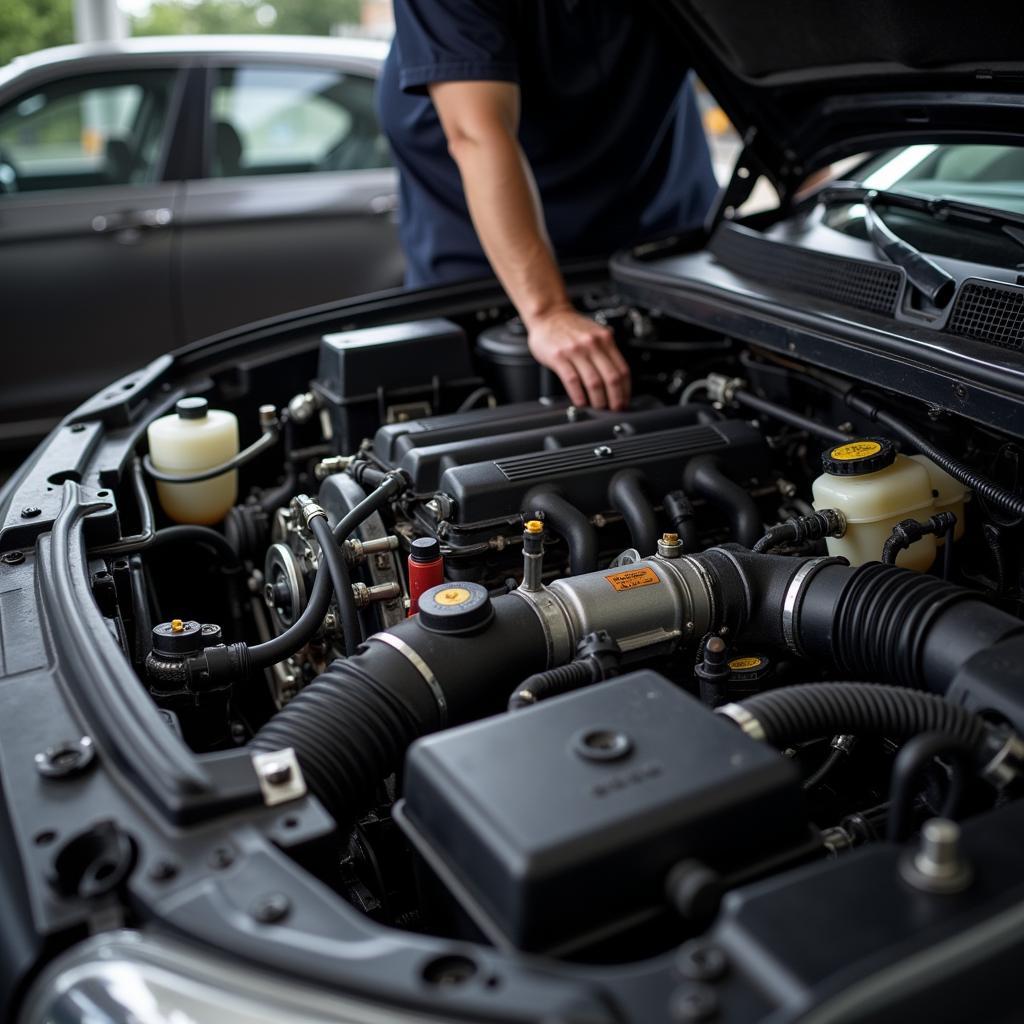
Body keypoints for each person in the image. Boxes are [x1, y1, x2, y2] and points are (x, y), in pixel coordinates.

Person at [377, 0, 719, 411]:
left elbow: (782, 91)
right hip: (482, 267)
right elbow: (476, 134)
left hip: (660, 241)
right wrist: (547, 311)